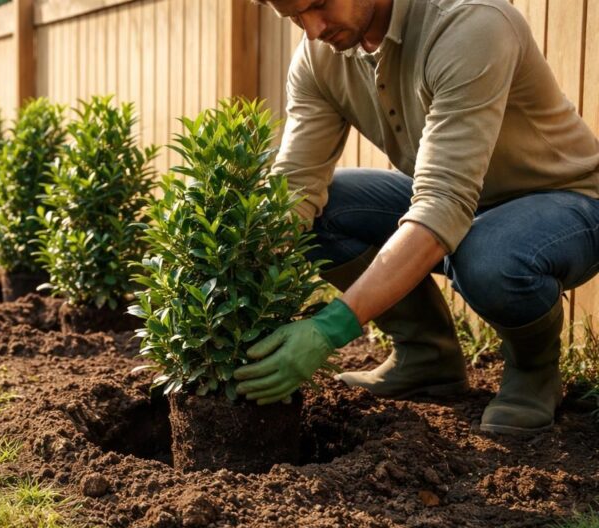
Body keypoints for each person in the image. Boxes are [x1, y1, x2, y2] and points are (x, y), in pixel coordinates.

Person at [234, 0, 599, 435]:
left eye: (318, 5)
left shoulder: (469, 23)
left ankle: (534, 369)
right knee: (327, 209)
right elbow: (295, 188)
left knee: (490, 256)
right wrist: (239, 289)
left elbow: (444, 203)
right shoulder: (320, 58)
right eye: (294, 18)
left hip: (566, 199)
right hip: (458, 199)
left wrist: (332, 328)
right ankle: (426, 357)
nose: (312, 29)